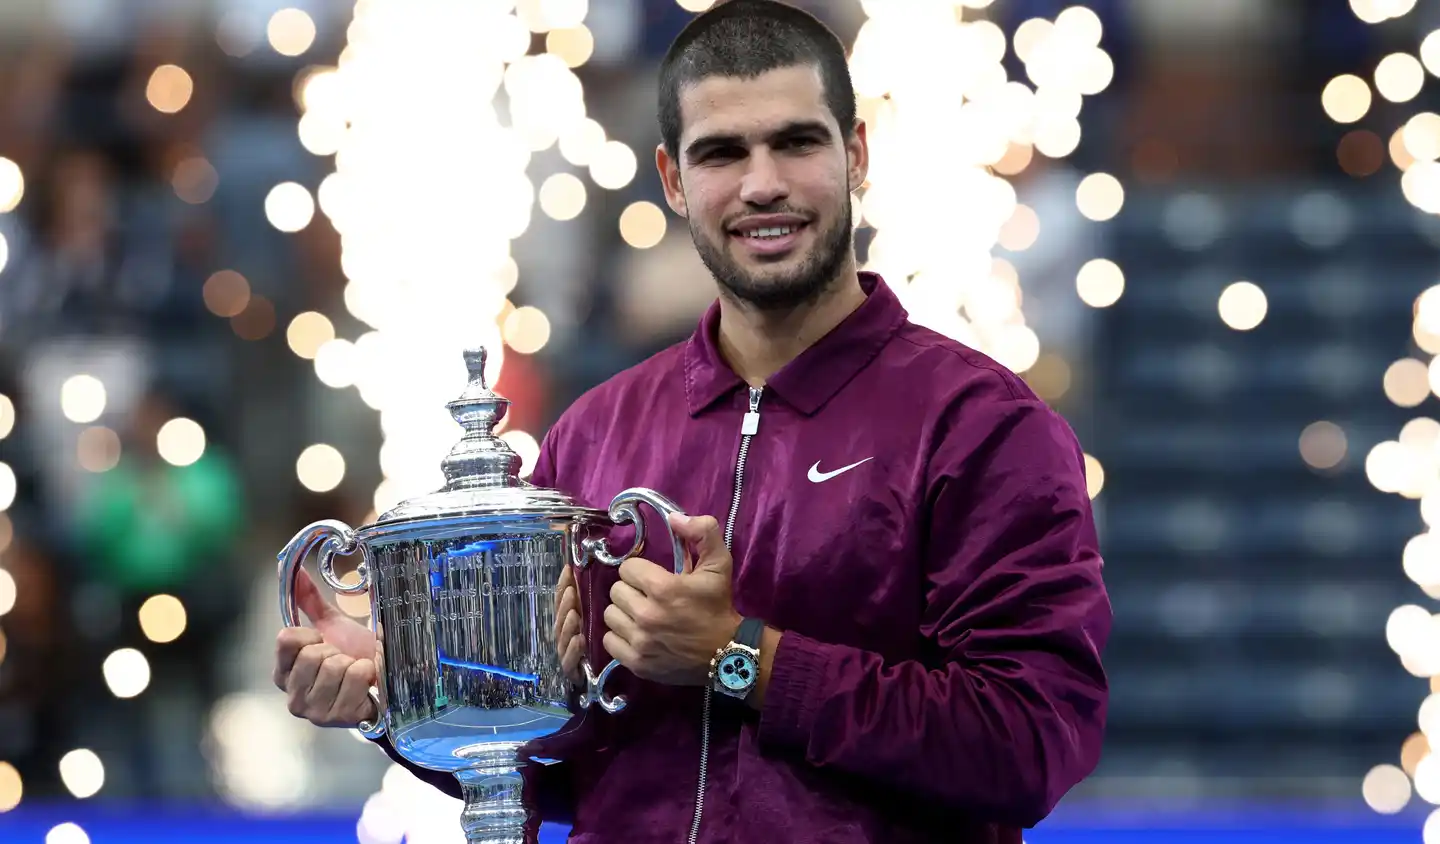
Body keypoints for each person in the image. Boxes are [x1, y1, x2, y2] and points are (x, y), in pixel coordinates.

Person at [273, 1, 1111, 842]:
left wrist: (741, 656)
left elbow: (1032, 741)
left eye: (796, 142)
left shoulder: (982, 426)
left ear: (855, 154)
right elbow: (556, 760)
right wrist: (396, 698)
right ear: (673, 181)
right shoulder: (597, 432)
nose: (762, 184)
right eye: (722, 153)